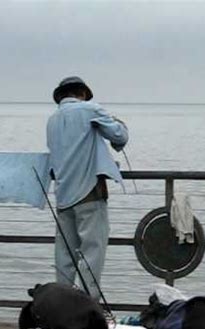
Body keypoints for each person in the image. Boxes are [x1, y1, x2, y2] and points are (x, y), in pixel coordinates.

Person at [46, 76, 128, 300]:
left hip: (62, 195)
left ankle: (60, 305)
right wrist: (117, 122)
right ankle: (86, 306)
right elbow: (119, 135)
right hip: (89, 192)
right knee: (92, 252)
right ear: (81, 93)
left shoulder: (52, 120)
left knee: (65, 257)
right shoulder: (89, 109)